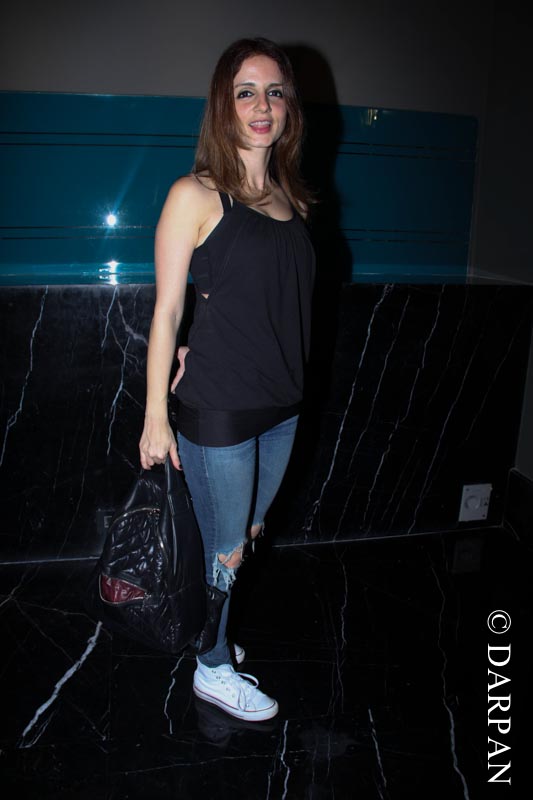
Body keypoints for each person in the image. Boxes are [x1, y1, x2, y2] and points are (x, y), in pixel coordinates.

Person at [139, 37, 315, 722]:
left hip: (283, 406)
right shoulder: (196, 194)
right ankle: (212, 667)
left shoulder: (291, 198)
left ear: (289, 106)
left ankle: (213, 635)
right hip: (220, 411)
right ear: (224, 104)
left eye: (275, 91)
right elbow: (167, 311)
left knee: (247, 534)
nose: (262, 105)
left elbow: (264, 301)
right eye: (246, 91)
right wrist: (156, 415)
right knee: (227, 547)